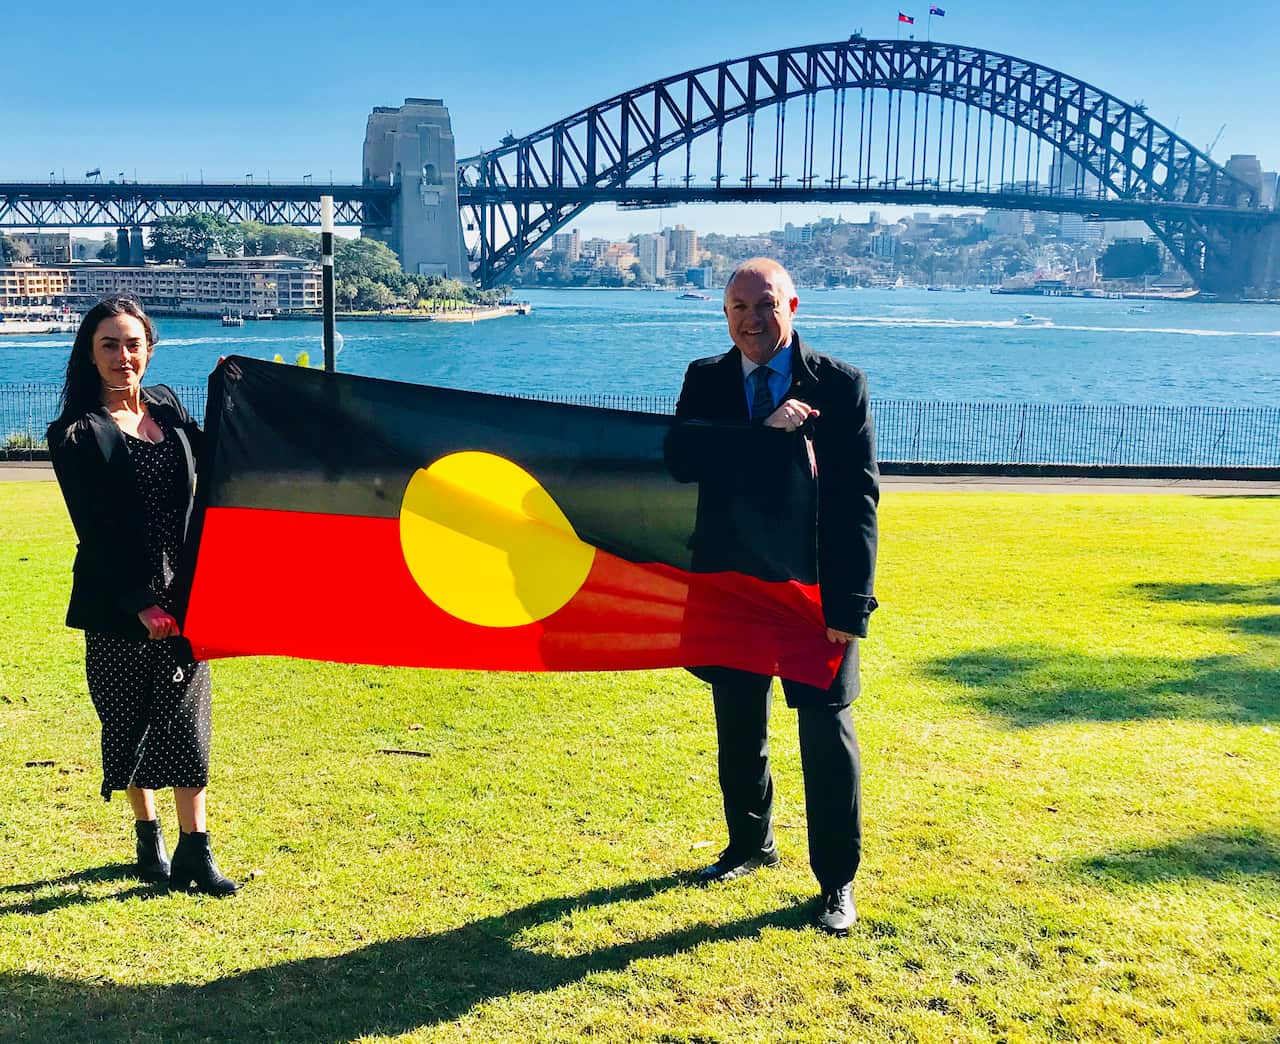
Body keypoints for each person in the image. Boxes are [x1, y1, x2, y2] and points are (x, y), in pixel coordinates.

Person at [666, 258, 877, 935]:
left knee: (826, 733)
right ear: (724, 314)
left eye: (765, 305)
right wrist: (763, 437)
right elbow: (681, 461)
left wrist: (850, 604)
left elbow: (858, 499)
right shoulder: (705, 379)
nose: (751, 321)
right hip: (730, 585)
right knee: (738, 728)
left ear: (793, 305)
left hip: (812, 592)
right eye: (738, 308)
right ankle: (748, 845)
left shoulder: (839, 386)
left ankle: (837, 882)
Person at [46, 296, 238, 896]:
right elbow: (95, 532)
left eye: (132, 344)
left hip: (185, 596)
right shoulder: (75, 434)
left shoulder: (167, 407)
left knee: (188, 723)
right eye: (109, 345)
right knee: (130, 723)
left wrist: (231, 392)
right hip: (118, 605)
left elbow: (219, 456)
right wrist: (139, 603)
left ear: (149, 349)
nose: (122, 356)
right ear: (90, 354)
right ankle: (147, 835)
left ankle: (195, 850)